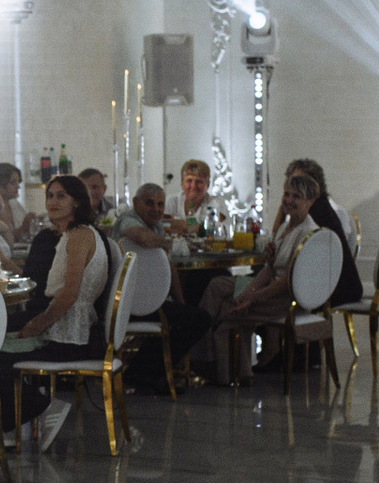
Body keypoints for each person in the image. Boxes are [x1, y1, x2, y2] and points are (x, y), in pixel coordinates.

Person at [0, 175, 111, 451]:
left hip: (71, 337)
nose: (53, 202)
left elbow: (69, 295)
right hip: (69, 329)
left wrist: (37, 324)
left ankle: (33, 411)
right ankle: (17, 420)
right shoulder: (73, 234)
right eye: (50, 196)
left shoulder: (79, 236)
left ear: (77, 202)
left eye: (61, 196)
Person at [207, 173, 329, 373]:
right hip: (272, 289)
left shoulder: (307, 232)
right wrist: (247, 293)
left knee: (228, 309)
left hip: (287, 298)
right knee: (217, 285)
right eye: (287, 194)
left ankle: (225, 371)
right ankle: (210, 361)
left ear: (311, 201)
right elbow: (269, 269)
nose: (288, 200)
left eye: (296, 196)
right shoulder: (285, 227)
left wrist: (252, 297)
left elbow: (287, 281)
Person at [112, 185, 213, 391]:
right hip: (124, 304)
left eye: (160, 204)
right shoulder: (128, 220)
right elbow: (142, 238)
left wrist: (181, 303)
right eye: (149, 203)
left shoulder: (156, 226)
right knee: (199, 319)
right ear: (135, 203)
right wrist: (169, 243)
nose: (156, 209)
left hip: (149, 302)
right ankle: (144, 372)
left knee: (194, 316)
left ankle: (143, 372)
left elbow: (169, 269)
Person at [164, 159, 213, 226]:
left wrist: (180, 225)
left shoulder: (216, 203)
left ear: (207, 185)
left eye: (199, 181)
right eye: (189, 181)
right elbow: (163, 226)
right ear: (182, 183)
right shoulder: (171, 201)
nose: (193, 186)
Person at [0, 161, 30, 234]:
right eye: (13, 183)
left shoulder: (15, 204)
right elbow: (2, 237)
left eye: (18, 182)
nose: (18, 187)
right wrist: (26, 224)